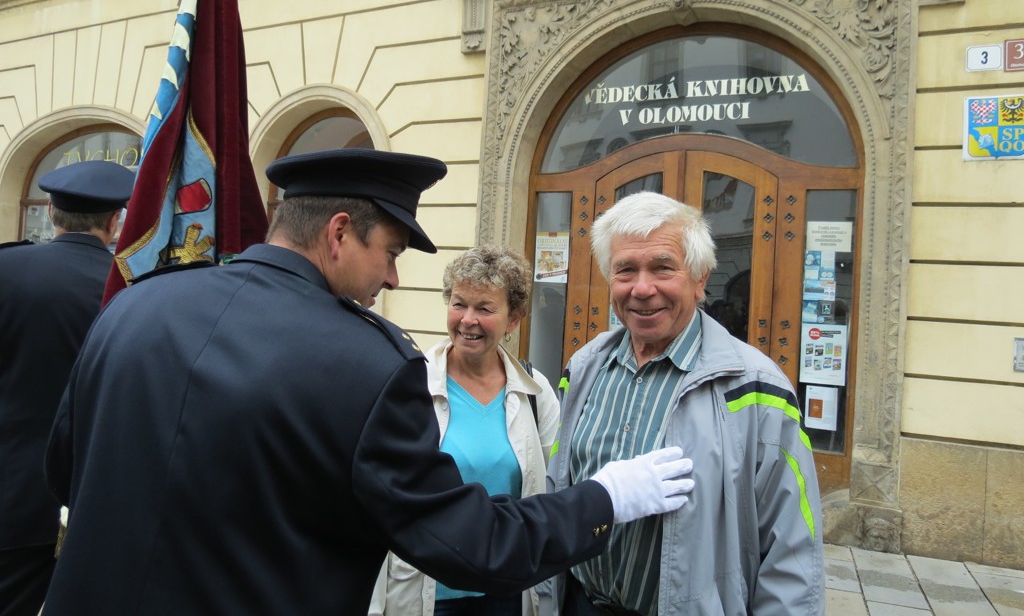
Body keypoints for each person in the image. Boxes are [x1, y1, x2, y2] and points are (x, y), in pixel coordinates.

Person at [42, 150, 695, 615]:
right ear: (338, 234)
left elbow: (66, 471)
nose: (392, 279)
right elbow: (475, 546)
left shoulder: (134, 306)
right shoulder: (370, 366)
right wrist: (605, 499)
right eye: (390, 253)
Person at [546, 191, 824, 615]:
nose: (642, 288)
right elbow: (558, 486)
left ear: (699, 279)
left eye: (662, 267)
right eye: (626, 270)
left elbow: (793, 548)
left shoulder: (757, 389)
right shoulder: (583, 369)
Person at [371, 246, 560, 616]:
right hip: (429, 594)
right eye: (459, 304)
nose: (467, 320)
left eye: (485, 308)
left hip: (507, 593)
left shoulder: (535, 392)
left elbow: (551, 490)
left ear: (514, 319)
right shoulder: (410, 385)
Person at [0, 160, 134, 616]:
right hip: (98, 499)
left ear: (52, 214)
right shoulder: (136, 290)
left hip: (10, 494)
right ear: (116, 222)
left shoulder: (7, 269)